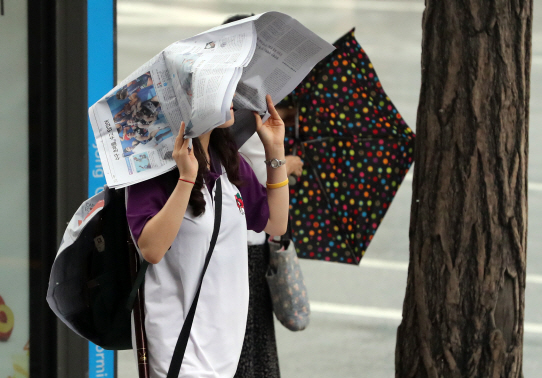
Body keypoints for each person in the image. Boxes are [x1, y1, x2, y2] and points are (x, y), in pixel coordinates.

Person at [126, 95, 290, 378]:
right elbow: (151, 249)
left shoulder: (226, 159)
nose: (234, 99)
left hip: (224, 346)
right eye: (223, 88)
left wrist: (274, 149)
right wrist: (186, 179)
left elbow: (276, 223)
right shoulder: (154, 166)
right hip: (179, 345)